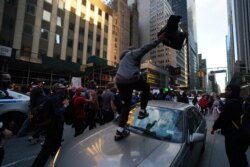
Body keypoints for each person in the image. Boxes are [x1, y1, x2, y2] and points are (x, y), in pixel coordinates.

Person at [114, 32, 168, 140]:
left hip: (120, 81)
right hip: (130, 80)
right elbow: (146, 48)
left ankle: (119, 131)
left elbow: (130, 71)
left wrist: (141, 74)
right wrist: (159, 40)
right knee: (146, 87)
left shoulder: (123, 59)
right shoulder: (133, 53)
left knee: (126, 106)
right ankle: (142, 111)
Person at [31, 83, 69, 167]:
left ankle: (55, 162)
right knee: (47, 150)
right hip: (53, 127)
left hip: (53, 126)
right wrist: (65, 105)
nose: (63, 91)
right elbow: (58, 112)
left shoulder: (52, 98)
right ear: (56, 90)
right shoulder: (55, 99)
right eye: (61, 89)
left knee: (55, 148)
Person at [211, 84, 249, 167]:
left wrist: (214, 128)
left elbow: (222, 119)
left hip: (233, 137)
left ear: (233, 91)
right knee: (241, 156)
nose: (226, 92)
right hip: (245, 136)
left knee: (234, 159)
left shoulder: (230, 104)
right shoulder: (243, 102)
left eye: (228, 90)